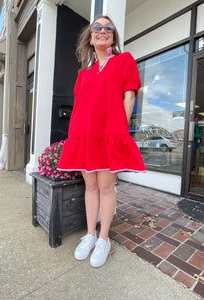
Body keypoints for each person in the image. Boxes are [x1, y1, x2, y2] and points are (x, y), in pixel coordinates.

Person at [57, 15, 146, 267]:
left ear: (113, 37)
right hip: (84, 135)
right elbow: (79, 106)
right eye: (98, 27)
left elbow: (129, 95)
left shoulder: (123, 61)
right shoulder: (83, 73)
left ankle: (103, 238)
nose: (103, 31)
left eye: (109, 28)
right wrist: (74, 135)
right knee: (91, 187)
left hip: (109, 134)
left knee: (107, 187)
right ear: (91, 36)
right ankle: (89, 235)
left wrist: (120, 128)